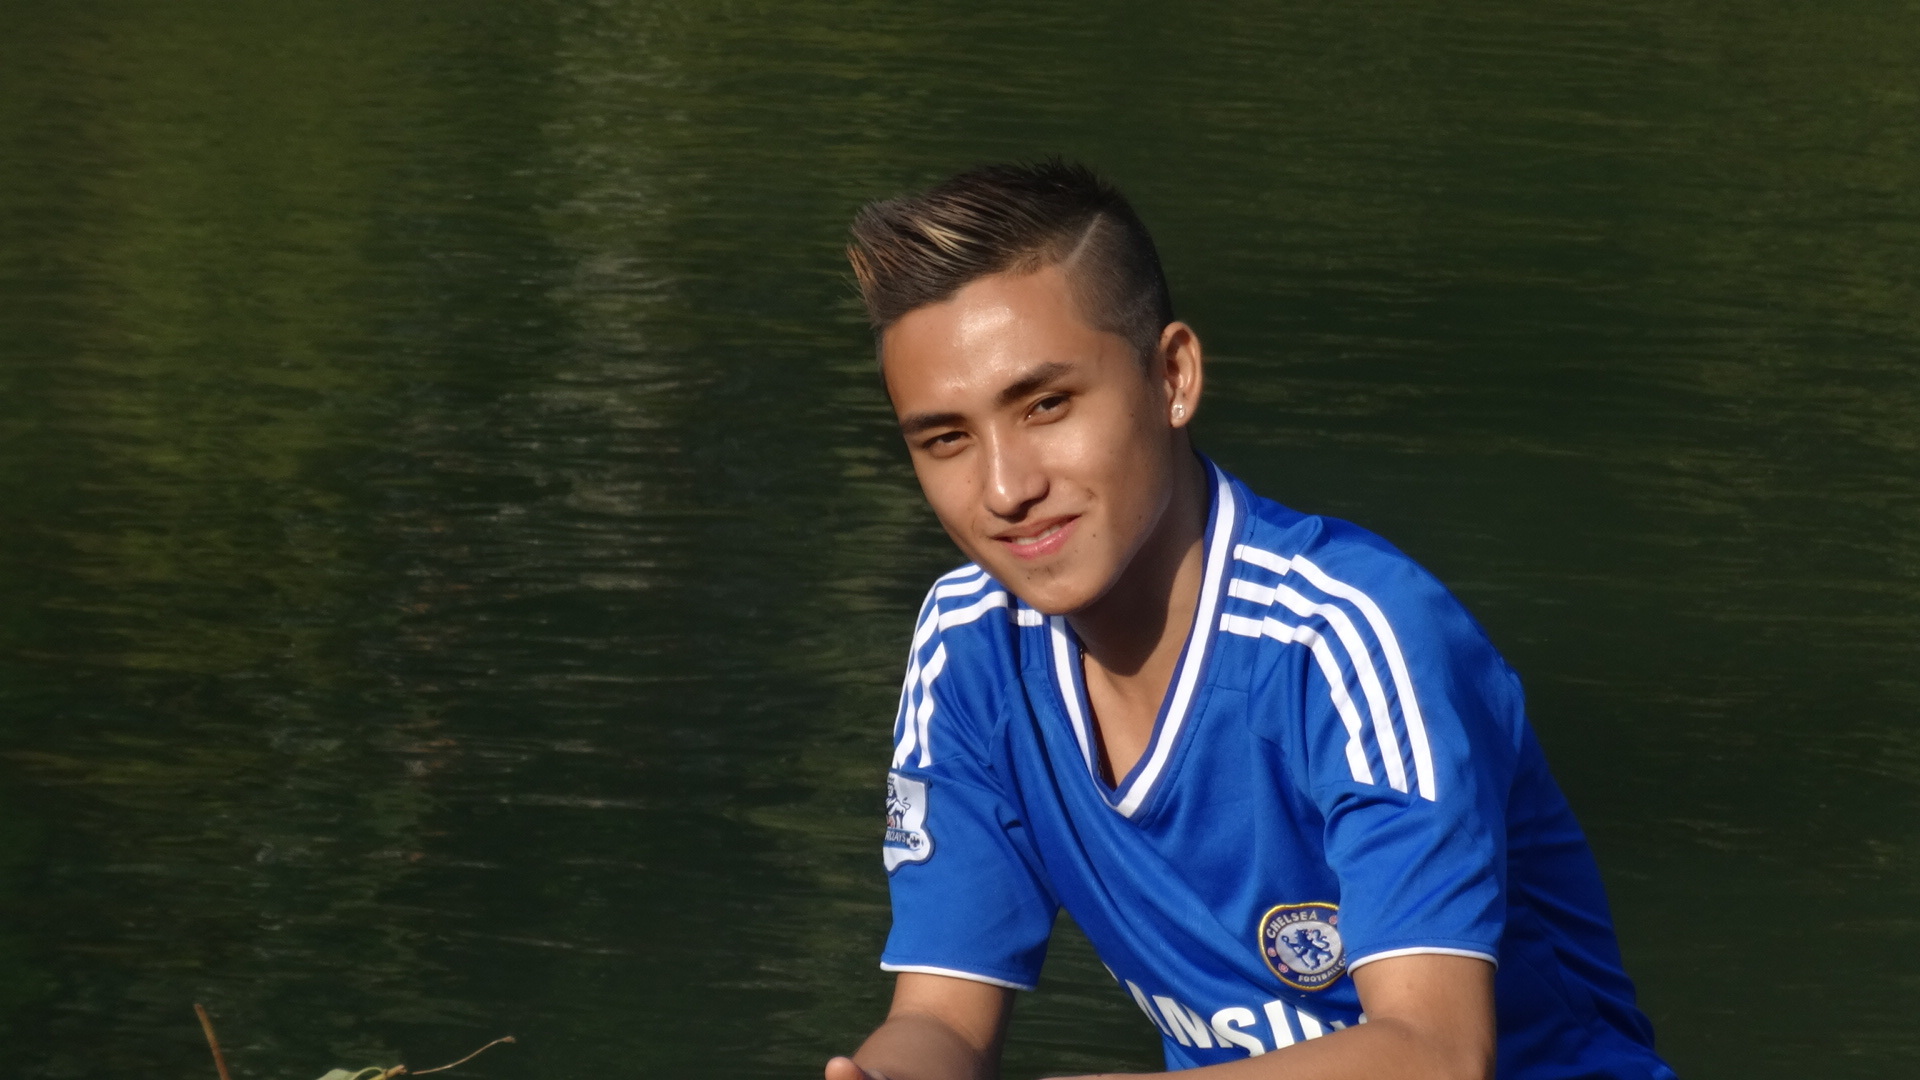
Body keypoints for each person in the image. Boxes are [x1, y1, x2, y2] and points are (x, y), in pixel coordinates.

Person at [824, 160, 1674, 1080]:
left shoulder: (1352, 634)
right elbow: (943, 1020)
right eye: (947, 438)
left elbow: (1435, 1053)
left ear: (1173, 377)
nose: (1004, 488)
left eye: (1047, 405)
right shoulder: (969, 647)